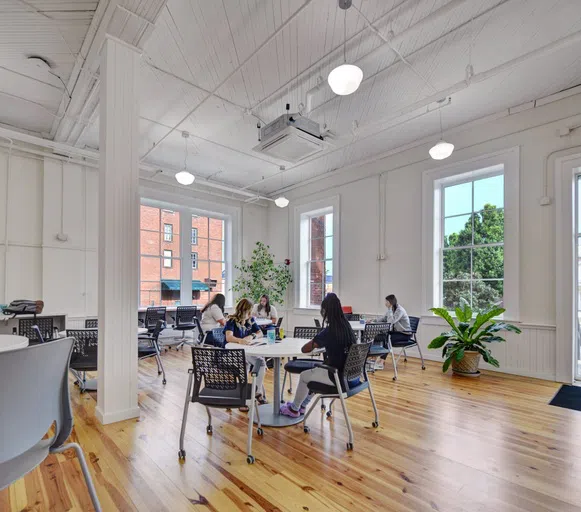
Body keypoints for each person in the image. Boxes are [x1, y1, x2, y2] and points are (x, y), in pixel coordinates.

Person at [280, 293, 356, 418]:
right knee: (315, 373)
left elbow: (305, 349)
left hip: (337, 377)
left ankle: (294, 409)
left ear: (325, 311)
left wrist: (319, 341)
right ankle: (302, 406)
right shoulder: (347, 326)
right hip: (352, 377)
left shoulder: (330, 330)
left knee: (305, 376)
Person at [224, 298, 267, 407]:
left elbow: (260, 333)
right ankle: (253, 394)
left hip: (246, 351)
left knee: (259, 362)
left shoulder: (250, 320)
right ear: (245, 310)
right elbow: (229, 337)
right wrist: (240, 340)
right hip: (233, 353)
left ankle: (254, 393)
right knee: (255, 364)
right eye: (250, 310)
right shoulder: (232, 321)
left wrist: (252, 336)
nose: (251, 313)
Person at [375, 294, 411, 369]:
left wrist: (389, 309)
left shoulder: (399, 310)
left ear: (390, 302)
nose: (385, 303)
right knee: (380, 336)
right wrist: (373, 320)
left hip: (405, 334)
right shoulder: (392, 309)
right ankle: (375, 358)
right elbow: (384, 318)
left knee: (388, 339)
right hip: (396, 332)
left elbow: (391, 321)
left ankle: (381, 361)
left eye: (386, 301)